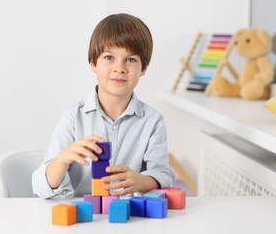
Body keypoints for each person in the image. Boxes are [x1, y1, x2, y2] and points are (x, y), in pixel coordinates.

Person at [32, 13, 175, 199]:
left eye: (130, 60)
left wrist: (141, 181)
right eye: (109, 57)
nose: (119, 68)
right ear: (92, 62)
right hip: (82, 217)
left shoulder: (153, 121)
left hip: (130, 218)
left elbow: (163, 173)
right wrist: (62, 159)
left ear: (143, 68)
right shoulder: (74, 117)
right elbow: (42, 187)